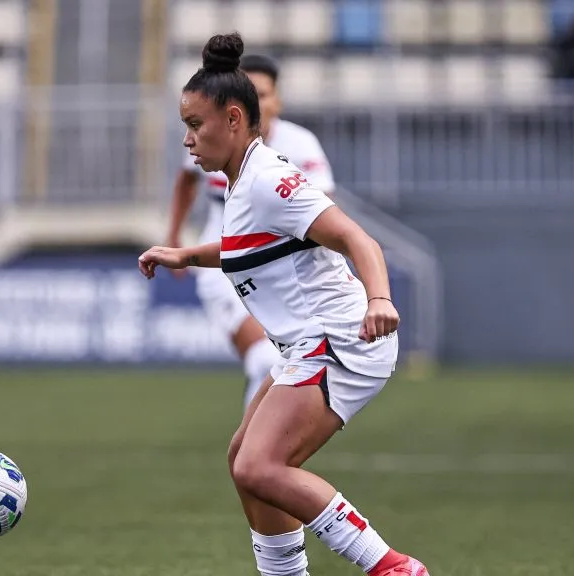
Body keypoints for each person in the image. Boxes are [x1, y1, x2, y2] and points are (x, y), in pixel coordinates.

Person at [138, 32, 428, 576]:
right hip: (308, 344)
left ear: (231, 119)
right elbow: (246, 249)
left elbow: (357, 239)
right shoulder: (243, 180)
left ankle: (392, 568)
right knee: (242, 459)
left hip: (341, 341)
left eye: (194, 125)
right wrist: (185, 255)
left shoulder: (270, 179)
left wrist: (380, 298)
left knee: (260, 465)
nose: (187, 140)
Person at [164, 54, 335, 408]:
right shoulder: (210, 136)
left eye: (264, 93)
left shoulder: (300, 146)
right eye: (250, 93)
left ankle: (258, 455)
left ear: (278, 100)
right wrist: (174, 236)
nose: (257, 101)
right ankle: (258, 455)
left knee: (283, 365)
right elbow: (186, 180)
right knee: (264, 359)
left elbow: (326, 215)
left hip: (281, 276)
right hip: (223, 268)